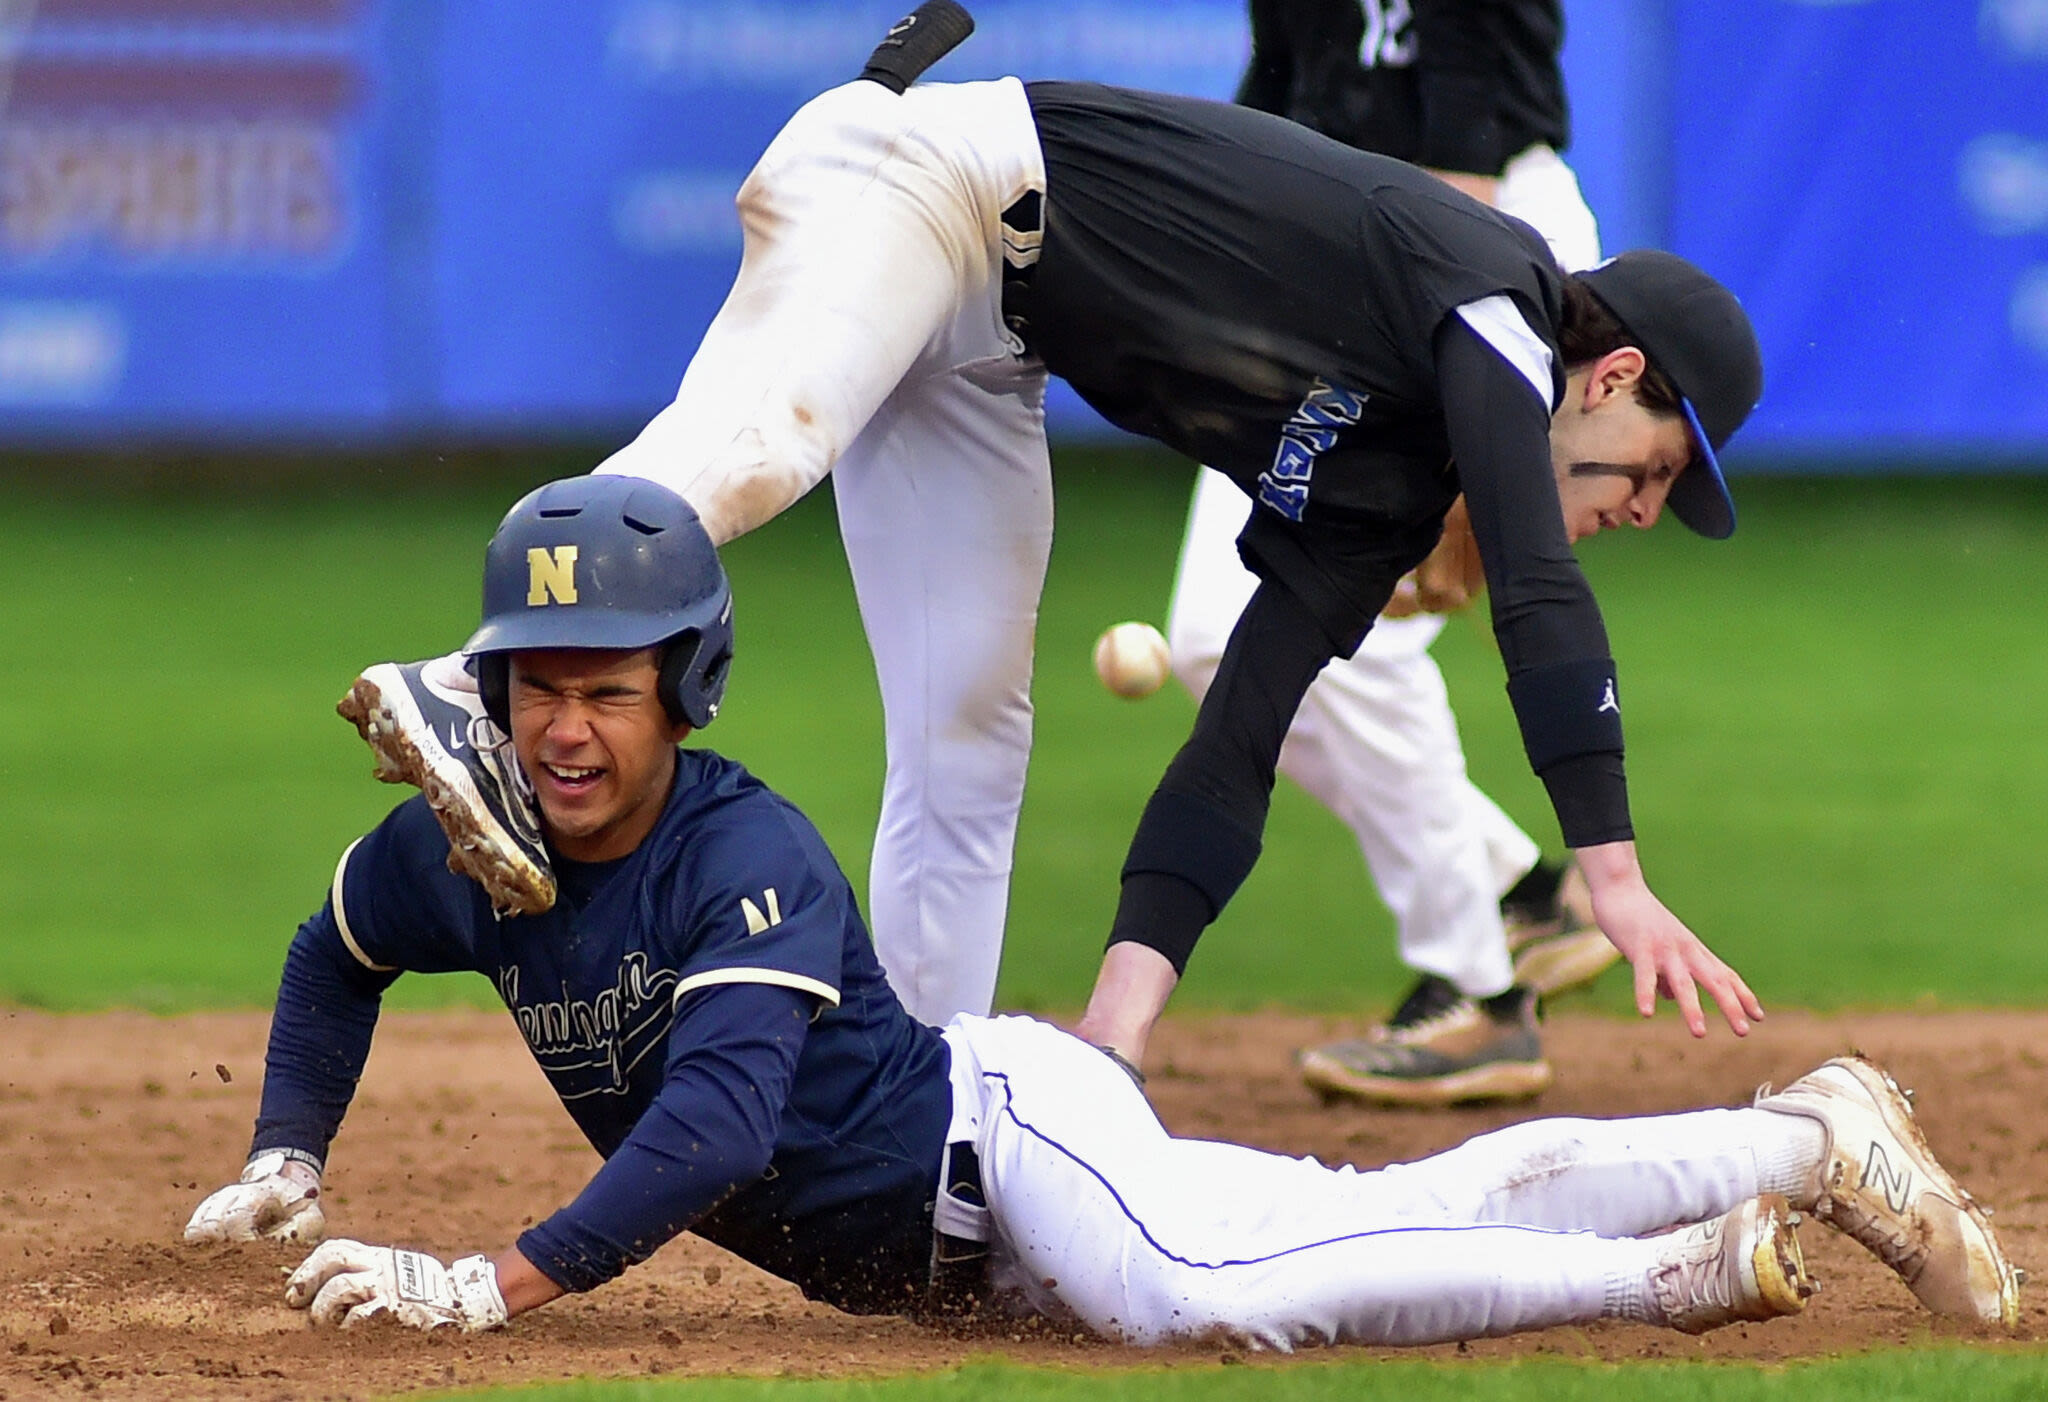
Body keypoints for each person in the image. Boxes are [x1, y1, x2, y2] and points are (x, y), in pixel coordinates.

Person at [187, 479, 2021, 1346]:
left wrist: (494, 1280)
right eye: (535, 686)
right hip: (966, 1232)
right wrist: (289, 1149)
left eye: (609, 684)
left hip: (1013, 1142)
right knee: (1378, 1209)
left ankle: (1671, 1273)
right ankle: (1799, 1131)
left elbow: (721, 1124)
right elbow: (329, 951)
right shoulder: (468, 853)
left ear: (687, 686)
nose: (567, 725)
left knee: (1190, 1295)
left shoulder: (745, 856)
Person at [336, 12, 1765, 1063]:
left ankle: (909, 1115)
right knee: (770, 440)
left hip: (992, 342)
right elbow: (1533, 590)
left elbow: (1238, 744)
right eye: (1656, 472)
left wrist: (1118, 1024)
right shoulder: (1499, 294)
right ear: (1619, 375)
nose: (1644, 509)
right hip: (932, 182)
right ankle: (474, 678)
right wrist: (1615, 876)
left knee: (971, 738)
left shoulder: (1383, 495)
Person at [1166, 0, 1614, 1108]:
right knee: (1210, 642)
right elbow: (1276, 97)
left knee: (1356, 639)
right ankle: (1519, 890)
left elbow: (1463, 151)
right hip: (1344, 251)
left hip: (1474, 246)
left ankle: (1476, 999)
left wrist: (1452, 432)